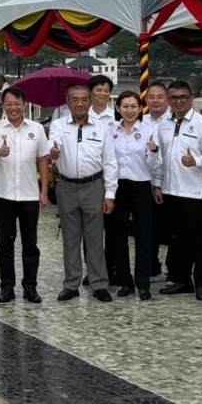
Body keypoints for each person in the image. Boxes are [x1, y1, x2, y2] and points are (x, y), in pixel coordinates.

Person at [48, 85, 117, 303]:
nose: (79, 104)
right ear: (68, 103)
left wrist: (110, 194)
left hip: (93, 186)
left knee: (95, 238)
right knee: (70, 238)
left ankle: (98, 283)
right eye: (75, 100)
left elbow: (110, 161)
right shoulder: (59, 125)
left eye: (84, 100)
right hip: (66, 187)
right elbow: (52, 145)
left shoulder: (101, 127)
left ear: (90, 102)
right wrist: (53, 151)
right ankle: (71, 284)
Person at [150, 81, 202, 301]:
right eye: (174, 97)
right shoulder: (164, 125)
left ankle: (201, 283)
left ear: (191, 99)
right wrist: (158, 183)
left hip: (193, 192)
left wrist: (195, 161)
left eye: (183, 97)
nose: (178, 101)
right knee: (177, 239)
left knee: (198, 239)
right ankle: (182, 280)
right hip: (170, 190)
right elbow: (160, 158)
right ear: (169, 100)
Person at [0, 87, 49, 304]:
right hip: (4, 194)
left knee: (30, 243)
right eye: (9, 104)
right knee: (5, 242)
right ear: (3, 105)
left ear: (24, 104)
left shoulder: (37, 129)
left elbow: (42, 159)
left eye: (17, 103)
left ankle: (30, 287)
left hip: (30, 194)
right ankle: (7, 287)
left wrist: (44, 191)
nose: (13, 107)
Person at [111, 91, 162, 300]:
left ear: (140, 108)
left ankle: (143, 282)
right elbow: (106, 160)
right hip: (117, 187)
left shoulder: (150, 130)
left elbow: (155, 164)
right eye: (125, 106)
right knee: (118, 236)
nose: (130, 111)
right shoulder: (111, 131)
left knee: (143, 236)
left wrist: (153, 151)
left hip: (141, 185)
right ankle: (125, 281)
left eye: (134, 106)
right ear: (118, 108)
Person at [87, 74, 118, 285]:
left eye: (106, 90)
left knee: (112, 229)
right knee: (90, 232)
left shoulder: (115, 118)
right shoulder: (81, 115)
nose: (103, 94)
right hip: (90, 180)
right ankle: (92, 271)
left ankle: (111, 269)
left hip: (113, 178)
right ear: (90, 93)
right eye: (98, 90)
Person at [145, 81, 171, 278]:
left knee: (173, 228)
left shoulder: (174, 120)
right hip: (147, 182)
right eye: (151, 97)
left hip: (172, 182)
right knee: (149, 227)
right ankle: (151, 264)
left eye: (159, 96)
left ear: (168, 99)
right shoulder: (140, 121)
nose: (155, 101)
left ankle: (175, 268)